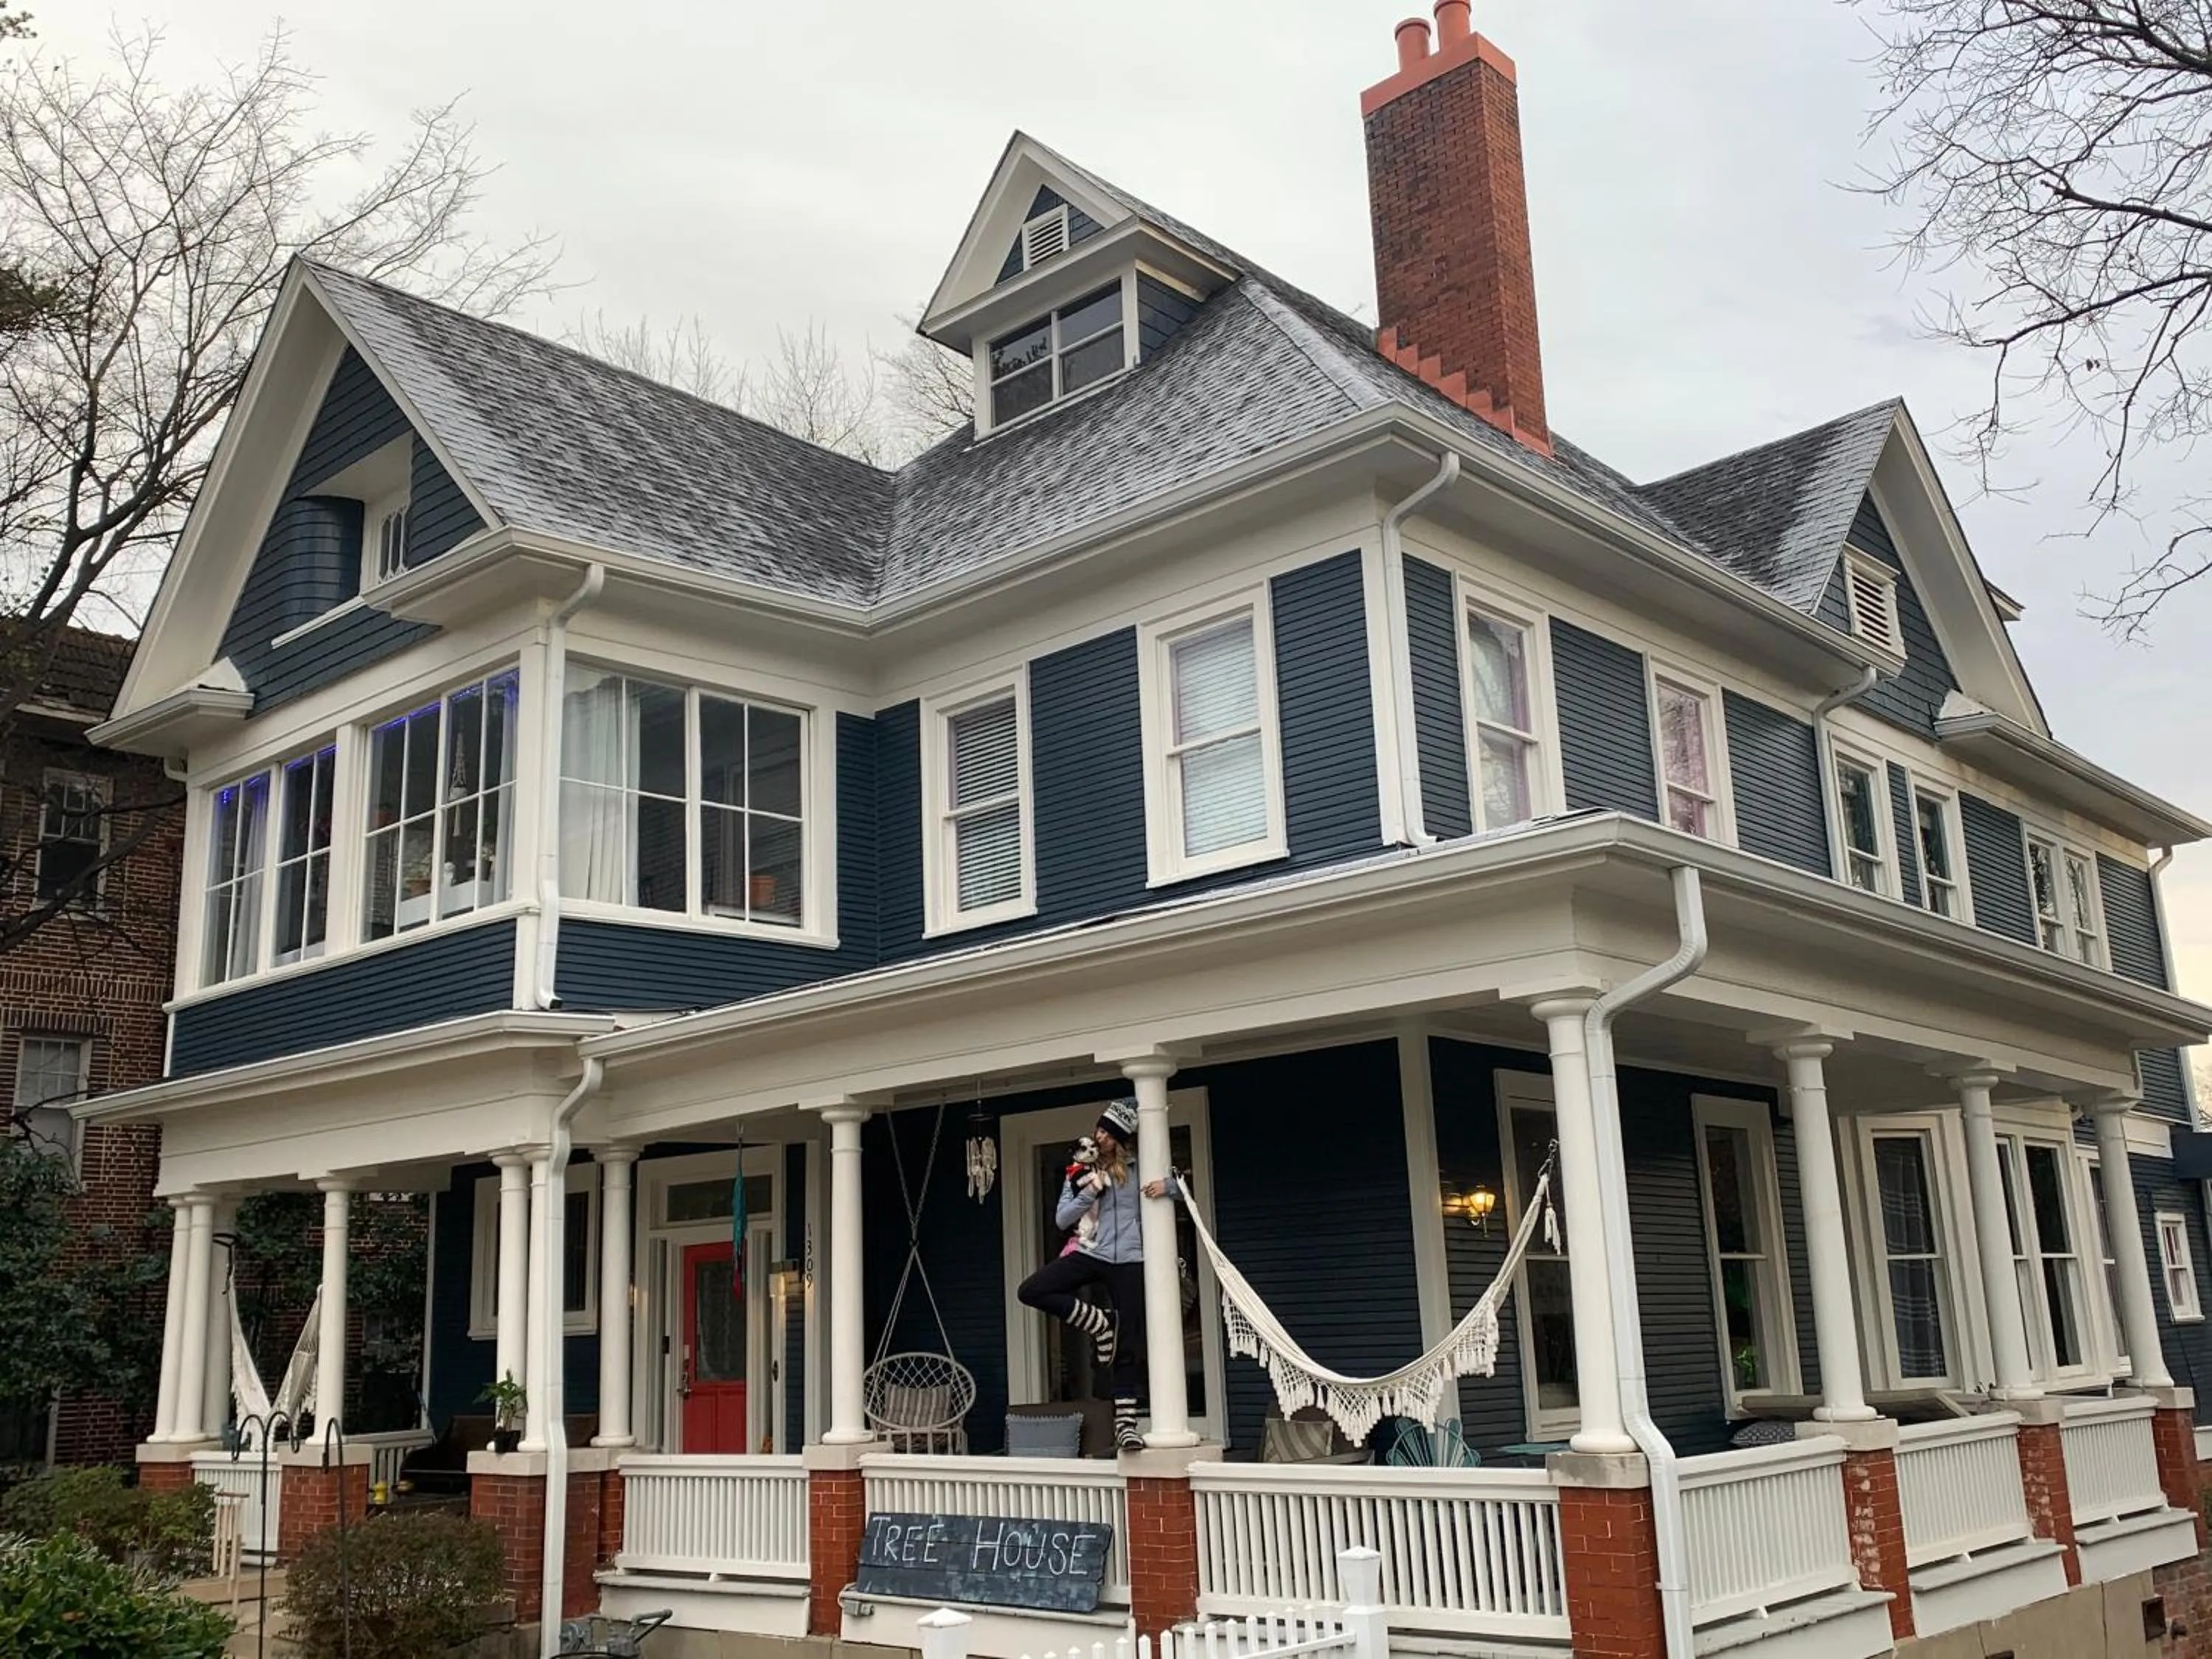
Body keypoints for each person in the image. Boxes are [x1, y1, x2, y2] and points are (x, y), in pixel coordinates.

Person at [1015, 1098, 1176, 1453]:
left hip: (1131, 1258)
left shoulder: (1139, 1167)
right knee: (1032, 1290)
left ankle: (1126, 1426)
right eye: (1098, 1129)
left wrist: (1171, 1187)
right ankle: (1100, 1322)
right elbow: (1062, 1219)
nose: (1098, 1136)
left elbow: (1182, 1187)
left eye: (1105, 1132)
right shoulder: (1080, 1170)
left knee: (1128, 1345)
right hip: (1091, 1251)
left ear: (1119, 1138)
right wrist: (1092, 1189)